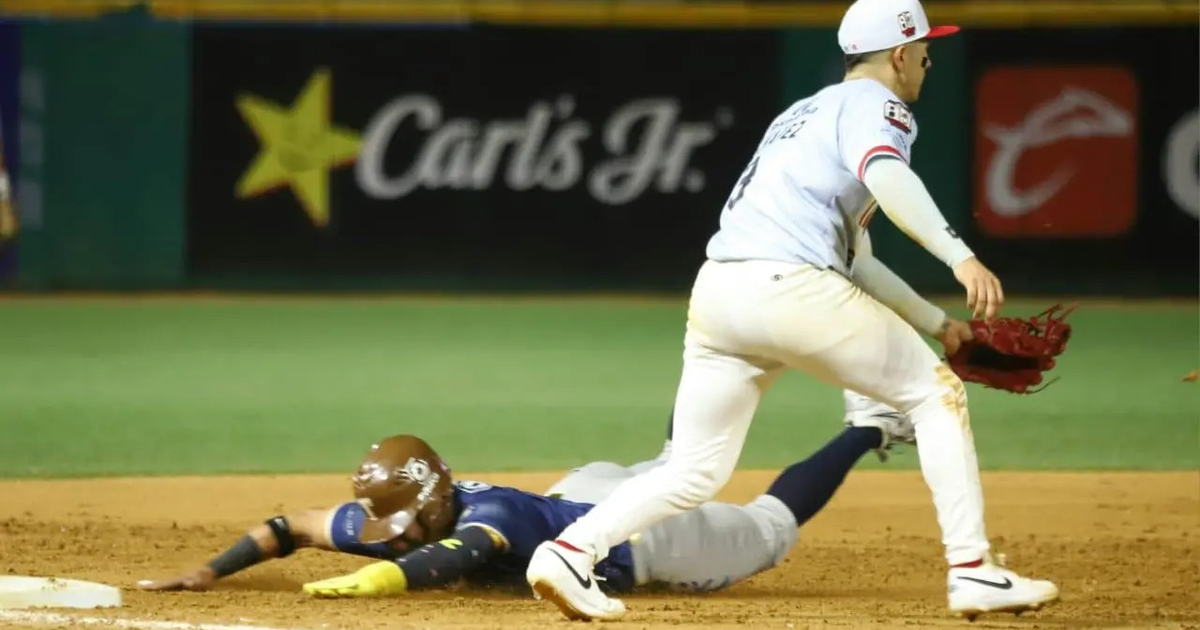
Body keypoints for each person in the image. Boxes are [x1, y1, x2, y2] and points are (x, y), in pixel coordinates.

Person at [522, 0, 1059, 622]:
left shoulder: (801, 114)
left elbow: (854, 260)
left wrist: (940, 326)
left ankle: (567, 552)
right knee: (934, 396)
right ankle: (972, 571)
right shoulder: (877, 106)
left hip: (721, 293)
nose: (929, 59)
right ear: (900, 55)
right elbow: (886, 174)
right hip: (789, 286)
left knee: (694, 470)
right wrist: (959, 256)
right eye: (924, 49)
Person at [137, 407, 913, 597]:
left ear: (435, 503)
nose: (386, 538)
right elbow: (291, 527)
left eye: (398, 527)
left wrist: (373, 579)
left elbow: (453, 560)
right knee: (679, 459)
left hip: (646, 537)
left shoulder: (483, 524)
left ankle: (869, 426)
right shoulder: (414, 512)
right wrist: (211, 571)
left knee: (767, 529)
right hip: (579, 495)